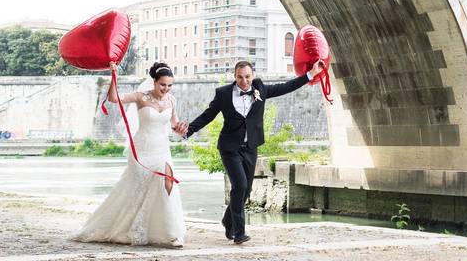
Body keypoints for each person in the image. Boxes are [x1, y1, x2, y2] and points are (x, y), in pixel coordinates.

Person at [179, 59, 325, 245]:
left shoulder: (260, 90)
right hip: (229, 148)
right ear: (235, 76)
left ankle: (227, 220)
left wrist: (311, 74)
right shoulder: (223, 94)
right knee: (239, 185)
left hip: (250, 148)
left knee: (246, 190)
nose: (244, 81)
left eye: (247, 77)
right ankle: (239, 232)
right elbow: (208, 115)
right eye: (240, 77)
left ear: (252, 75)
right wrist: (188, 130)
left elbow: (287, 87)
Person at [73, 62, 189, 248]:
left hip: (162, 149)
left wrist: (181, 130)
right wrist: (114, 75)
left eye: (169, 85)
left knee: (168, 182)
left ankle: (170, 233)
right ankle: (130, 227)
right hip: (142, 149)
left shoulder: (171, 100)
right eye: (162, 85)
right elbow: (113, 99)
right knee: (138, 190)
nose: (166, 89)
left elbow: (175, 126)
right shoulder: (140, 97)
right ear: (154, 82)